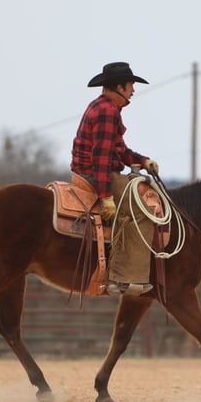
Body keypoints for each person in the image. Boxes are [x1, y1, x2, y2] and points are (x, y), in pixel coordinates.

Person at [70, 62, 160, 296]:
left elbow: (117, 149)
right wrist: (106, 196)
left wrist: (144, 160)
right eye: (130, 85)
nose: (133, 90)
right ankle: (123, 277)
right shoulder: (108, 111)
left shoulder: (103, 107)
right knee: (143, 209)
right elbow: (100, 158)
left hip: (91, 171)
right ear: (119, 86)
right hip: (95, 174)